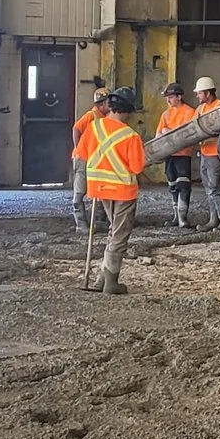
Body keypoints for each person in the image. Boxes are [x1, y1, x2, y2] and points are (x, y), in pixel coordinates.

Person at [74, 89, 148, 294]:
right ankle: (112, 282)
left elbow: (81, 154)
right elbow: (137, 167)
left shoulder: (94, 127)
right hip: (123, 190)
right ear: (127, 111)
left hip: (99, 188)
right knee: (119, 234)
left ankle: (101, 280)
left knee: (112, 231)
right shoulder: (130, 136)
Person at [155, 82, 199, 228]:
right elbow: (158, 135)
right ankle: (176, 217)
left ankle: (183, 218)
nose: (168, 100)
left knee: (183, 184)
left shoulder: (189, 112)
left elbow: (188, 133)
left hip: (183, 154)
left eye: (171, 97)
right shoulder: (165, 114)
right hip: (169, 154)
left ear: (179, 97)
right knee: (172, 185)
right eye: (167, 97)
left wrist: (168, 132)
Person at [191, 76, 220, 231]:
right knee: (209, 188)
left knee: (215, 187)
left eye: (199, 93)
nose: (197, 96)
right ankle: (213, 220)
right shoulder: (200, 109)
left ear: (208, 93)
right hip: (204, 153)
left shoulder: (219, 107)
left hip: (215, 154)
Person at [68, 87, 107, 231]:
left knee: (97, 189)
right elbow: (76, 129)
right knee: (80, 191)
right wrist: (79, 148)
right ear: (101, 104)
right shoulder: (92, 116)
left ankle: (98, 222)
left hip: (94, 159)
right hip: (83, 159)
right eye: (108, 103)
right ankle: (81, 224)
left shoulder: (104, 118)